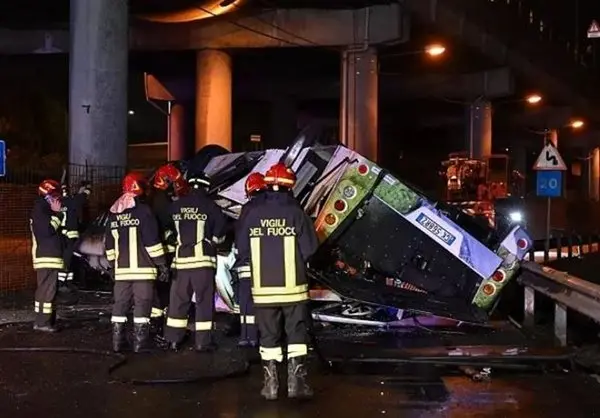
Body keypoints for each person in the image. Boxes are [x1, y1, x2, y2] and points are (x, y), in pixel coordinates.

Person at [235, 163, 319, 400]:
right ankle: (297, 385)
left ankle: (270, 386)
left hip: (263, 290)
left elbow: (242, 249)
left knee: (268, 335)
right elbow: (311, 249)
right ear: (290, 187)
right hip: (294, 289)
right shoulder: (296, 213)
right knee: (296, 334)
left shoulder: (252, 214)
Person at [105, 172, 170, 353]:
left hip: (121, 271)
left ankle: (117, 343)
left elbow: (109, 244)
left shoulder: (113, 214)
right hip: (143, 270)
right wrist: (162, 264)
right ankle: (140, 344)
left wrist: (112, 265)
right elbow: (152, 242)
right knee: (143, 304)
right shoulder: (144, 211)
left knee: (120, 304)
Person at [163, 172, 228, 352]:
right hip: (203, 264)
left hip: (181, 264)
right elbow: (220, 232)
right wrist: (212, 241)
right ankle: (203, 342)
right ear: (206, 187)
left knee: (178, 302)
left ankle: (174, 340)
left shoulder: (176, 206)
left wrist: (173, 240)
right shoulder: (211, 206)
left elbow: (165, 228)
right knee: (204, 302)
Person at [149, 164, 189, 334]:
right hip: (166, 251)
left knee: (160, 288)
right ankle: (162, 322)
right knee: (166, 288)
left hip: (160, 250)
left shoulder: (156, 198)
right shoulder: (162, 201)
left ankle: (157, 321)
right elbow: (169, 223)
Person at [233, 172, 267, 347]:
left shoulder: (247, 209)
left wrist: (241, 255)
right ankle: (260, 335)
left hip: (246, 262)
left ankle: (247, 336)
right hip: (267, 263)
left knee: (246, 300)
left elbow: (241, 234)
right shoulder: (271, 207)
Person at [30, 179, 65, 332]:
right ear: (49, 195)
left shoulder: (42, 208)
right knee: (47, 291)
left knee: (46, 290)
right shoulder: (41, 209)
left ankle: (43, 320)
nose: (58, 200)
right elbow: (48, 231)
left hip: (48, 256)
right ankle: (43, 323)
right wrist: (58, 214)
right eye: (56, 196)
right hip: (47, 256)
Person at [58, 182, 91, 289]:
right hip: (71, 236)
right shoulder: (72, 201)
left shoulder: (57, 204)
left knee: (67, 259)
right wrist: (87, 189)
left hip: (61, 236)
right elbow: (83, 197)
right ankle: (64, 283)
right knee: (69, 259)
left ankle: (67, 282)